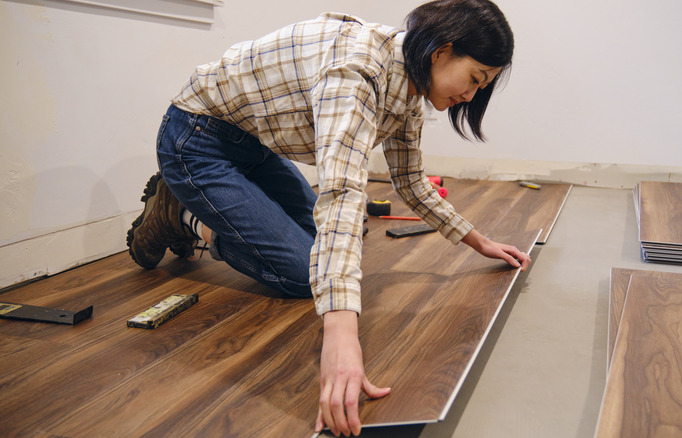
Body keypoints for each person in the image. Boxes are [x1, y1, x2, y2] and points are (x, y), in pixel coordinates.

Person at [126, 0, 530, 435]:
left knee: (335, 245)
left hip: (252, 145)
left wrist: (478, 240)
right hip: (197, 139)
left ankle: (199, 206)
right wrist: (340, 338)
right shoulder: (356, 73)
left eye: (481, 86)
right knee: (305, 273)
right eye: (474, 79)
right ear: (441, 51)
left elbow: (411, 181)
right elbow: (341, 193)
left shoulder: (409, 86)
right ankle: (180, 214)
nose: (470, 96)